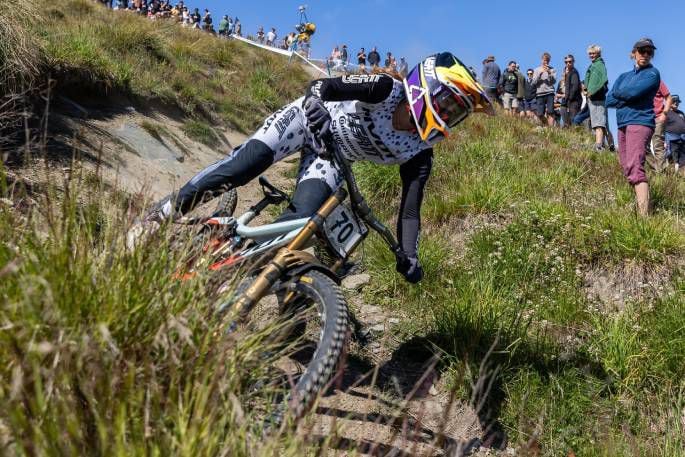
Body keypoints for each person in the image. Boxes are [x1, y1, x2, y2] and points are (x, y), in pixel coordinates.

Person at [127, 53, 494, 283]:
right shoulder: (385, 89)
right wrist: (316, 102)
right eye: (448, 104)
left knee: (300, 221)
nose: (447, 117)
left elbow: (410, 209)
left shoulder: (420, 151)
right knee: (244, 166)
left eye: (455, 114)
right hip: (307, 121)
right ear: (424, 86)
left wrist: (410, 253)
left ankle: (234, 268)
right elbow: (321, 85)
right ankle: (156, 217)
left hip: (331, 156)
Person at [606, 38, 661, 216]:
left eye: (649, 52)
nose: (645, 54)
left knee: (635, 165)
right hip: (623, 123)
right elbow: (609, 99)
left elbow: (631, 92)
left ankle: (644, 216)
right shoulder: (624, 76)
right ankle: (638, 207)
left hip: (640, 121)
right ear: (634, 52)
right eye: (642, 50)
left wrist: (623, 93)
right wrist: (626, 95)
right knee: (627, 166)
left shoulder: (652, 74)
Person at [584, 45, 610, 151]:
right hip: (592, 98)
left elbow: (602, 80)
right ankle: (600, 144)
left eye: (593, 53)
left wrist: (593, 91)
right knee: (595, 122)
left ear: (598, 53)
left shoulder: (599, 65)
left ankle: (599, 145)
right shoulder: (593, 66)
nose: (591, 55)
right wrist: (587, 90)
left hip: (598, 98)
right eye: (590, 53)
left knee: (599, 122)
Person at [648, 81, 672, 172]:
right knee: (643, 146)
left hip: (658, 117)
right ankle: (656, 168)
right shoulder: (640, 81)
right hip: (644, 118)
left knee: (658, 145)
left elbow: (669, 98)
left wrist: (664, 113)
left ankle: (661, 172)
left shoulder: (658, 81)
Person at [532, 52, 557, 126]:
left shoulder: (552, 69)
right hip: (540, 93)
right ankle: (546, 124)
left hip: (550, 93)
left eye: (547, 60)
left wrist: (549, 73)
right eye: (544, 60)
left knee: (550, 112)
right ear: (541, 60)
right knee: (540, 114)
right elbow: (533, 82)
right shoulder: (536, 70)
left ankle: (551, 129)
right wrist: (540, 74)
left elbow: (554, 81)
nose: (545, 62)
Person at [665, 95, 685, 174]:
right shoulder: (666, 112)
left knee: (683, 159)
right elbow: (662, 127)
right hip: (671, 139)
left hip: (683, 139)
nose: (676, 103)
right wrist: (664, 141)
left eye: (677, 102)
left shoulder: (681, 113)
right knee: (673, 158)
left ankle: (681, 176)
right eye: (674, 101)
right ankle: (672, 176)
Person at [563, 55, 582, 128]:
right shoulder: (569, 73)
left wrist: (569, 98)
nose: (568, 63)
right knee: (570, 120)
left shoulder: (574, 72)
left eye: (570, 61)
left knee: (574, 120)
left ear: (573, 62)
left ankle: (577, 136)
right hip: (570, 100)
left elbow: (575, 87)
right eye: (566, 62)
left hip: (574, 100)